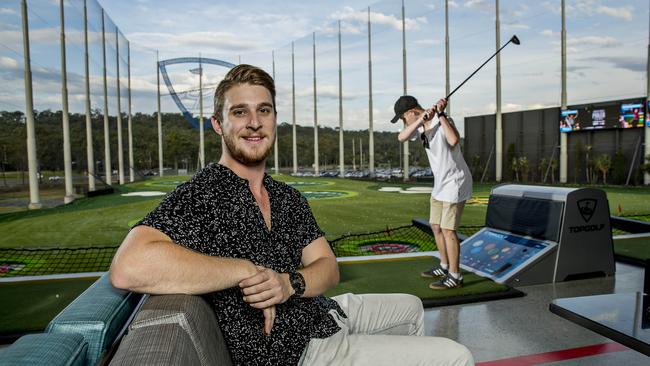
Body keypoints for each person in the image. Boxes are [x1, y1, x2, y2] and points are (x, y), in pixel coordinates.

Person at [109, 65, 473, 366]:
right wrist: (245, 270)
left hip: (321, 312)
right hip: (299, 351)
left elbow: (328, 268)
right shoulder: (204, 194)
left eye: (263, 110)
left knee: (411, 307)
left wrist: (288, 284)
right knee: (456, 357)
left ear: (274, 120)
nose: (254, 122)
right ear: (218, 124)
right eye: (240, 112)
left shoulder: (286, 197)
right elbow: (129, 265)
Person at [391, 95, 472, 290]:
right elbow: (401, 137)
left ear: (410, 112)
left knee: (448, 230)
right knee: (435, 226)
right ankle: (444, 266)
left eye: (403, 118)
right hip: (440, 184)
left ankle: (455, 276)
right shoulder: (420, 124)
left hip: (455, 181)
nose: (404, 122)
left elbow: (453, 140)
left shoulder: (441, 120)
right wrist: (422, 119)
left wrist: (441, 114)